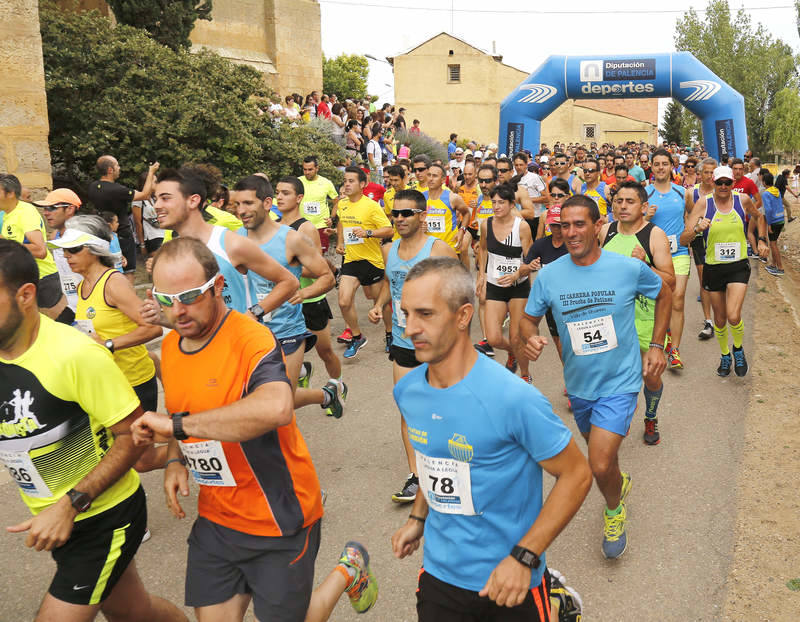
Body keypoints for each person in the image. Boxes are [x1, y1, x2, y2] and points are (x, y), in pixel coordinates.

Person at [130, 238, 378, 621]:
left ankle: (348, 570)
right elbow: (184, 412)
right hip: (217, 520)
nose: (177, 311)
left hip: (279, 518)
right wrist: (177, 459)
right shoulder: (175, 346)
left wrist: (175, 427)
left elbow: (277, 407)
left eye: (190, 296)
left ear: (216, 287)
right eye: (166, 299)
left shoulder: (250, 339)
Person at [391, 256, 592, 620]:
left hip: (512, 579)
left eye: (425, 314)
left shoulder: (513, 398)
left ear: (464, 315)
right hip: (440, 575)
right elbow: (435, 458)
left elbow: (577, 475)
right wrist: (418, 519)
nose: (409, 329)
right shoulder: (407, 391)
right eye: (406, 314)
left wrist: (525, 556)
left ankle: (551, 590)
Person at [0, 238, 187, 622]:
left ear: (25, 295)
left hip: (102, 515)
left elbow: (134, 435)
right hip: (54, 515)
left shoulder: (76, 355)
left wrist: (69, 505)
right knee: (136, 613)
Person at [521, 195, 672, 559]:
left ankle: (613, 511)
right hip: (579, 385)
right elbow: (528, 318)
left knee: (599, 462)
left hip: (620, 382)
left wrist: (656, 346)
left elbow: (665, 294)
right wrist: (529, 337)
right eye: (564, 225)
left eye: (579, 224)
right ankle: (617, 485)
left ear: (597, 225)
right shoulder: (550, 276)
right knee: (602, 456)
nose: (571, 233)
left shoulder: (626, 268)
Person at [366, 189, 457, 504]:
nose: (400, 219)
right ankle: (417, 477)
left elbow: (461, 294)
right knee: (407, 406)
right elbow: (391, 285)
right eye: (396, 213)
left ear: (422, 215)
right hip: (405, 342)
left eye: (406, 213)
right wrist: (380, 305)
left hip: (437, 344)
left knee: (444, 407)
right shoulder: (389, 250)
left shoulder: (439, 249)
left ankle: (454, 464)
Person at [232, 175, 344, 416]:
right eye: (237, 204)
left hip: (286, 330)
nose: (241, 211)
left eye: (248, 203)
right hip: (249, 331)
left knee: (280, 405)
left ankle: (328, 390)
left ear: (266, 203)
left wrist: (304, 292)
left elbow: (326, 275)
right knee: (256, 399)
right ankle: (324, 393)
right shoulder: (234, 238)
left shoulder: (293, 238)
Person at [139, 167, 298, 325]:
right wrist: (159, 317)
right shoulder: (171, 251)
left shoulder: (231, 243)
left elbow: (289, 282)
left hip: (241, 345)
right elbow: (188, 321)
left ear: (193, 200)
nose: (157, 205)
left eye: (165, 198)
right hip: (202, 348)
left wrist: (253, 314)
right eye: (156, 198)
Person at [48, 215, 162, 414]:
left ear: (95, 249)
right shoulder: (83, 285)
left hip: (133, 382)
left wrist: (108, 344)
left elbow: (153, 328)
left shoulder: (113, 283)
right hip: (109, 382)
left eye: (73, 249)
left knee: (138, 445)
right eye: (64, 250)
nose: (66, 256)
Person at [601, 181, 676, 445]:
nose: (622, 206)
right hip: (611, 321)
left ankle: (651, 415)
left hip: (645, 320)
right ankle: (614, 424)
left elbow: (670, 281)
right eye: (618, 201)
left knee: (650, 376)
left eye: (629, 201)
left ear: (644, 206)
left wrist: (644, 264)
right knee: (614, 378)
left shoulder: (654, 235)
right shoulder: (605, 231)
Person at [680, 166, 768, 377]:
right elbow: (684, 239)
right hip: (714, 267)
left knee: (733, 315)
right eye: (719, 182)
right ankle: (725, 354)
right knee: (719, 320)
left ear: (732, 184)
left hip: (738, 266)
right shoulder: (704, 203)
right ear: (713, 181)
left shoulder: (743, 200)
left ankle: (738, 348)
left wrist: (762, 239)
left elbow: (759, 217)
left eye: (727, 183)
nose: (723, 187)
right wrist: (697, 230)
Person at [275, 176, 346, 416]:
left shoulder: (305, 228)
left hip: (310, 299)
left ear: (299, 198)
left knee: (324, 351)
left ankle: (337, 384)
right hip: (284, 302)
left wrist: (284, 267)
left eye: (285, 193)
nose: (280, 197)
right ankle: (302, 371)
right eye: (277, 192)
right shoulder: (273, 226)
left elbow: (318, 270)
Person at [335, 166, 393, 358]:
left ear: (362, 184)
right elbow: (342, 222)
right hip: (351, 259)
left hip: (372, 261)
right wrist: (340, 241)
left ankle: (390, 334)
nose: (347, 184)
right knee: (344, 301)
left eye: (351, 181)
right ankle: (357, 337)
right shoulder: (343, 204)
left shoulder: (371, 206)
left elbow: (388, 229)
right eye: (345, 181)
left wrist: (368, 233)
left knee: (381, 303)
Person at [477, 184, 533, 382]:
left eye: (501, 202)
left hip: (518, 287)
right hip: (495, 285)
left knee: (517, 337)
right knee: (492, 337)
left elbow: (532, 261)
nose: (497, 206)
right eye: (493, 202)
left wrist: (517, 274)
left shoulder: (522, 226)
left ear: (511, 204)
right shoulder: (486, 224)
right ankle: (511, 352)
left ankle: (525, 376)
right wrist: (481, 275)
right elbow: (482, 249)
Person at [0, 174, 69, 323]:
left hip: (43, 278)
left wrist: (7, 244)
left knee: (62, 325)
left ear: (10, 193)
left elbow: (40, 250)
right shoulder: (7, 215)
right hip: (25, 279)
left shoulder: (25, 213)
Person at [644, 149, 690, 370]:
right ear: (651, 167)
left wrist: (692, 231)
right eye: (657, 164)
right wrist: (646, 217)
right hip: (653, 255)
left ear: (672, 166)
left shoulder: (682, 192)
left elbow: (691, 216)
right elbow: (634, 222)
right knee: (658, 300)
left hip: (679, 251)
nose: (661, 167)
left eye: (665, 163)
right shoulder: (645, 193)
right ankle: (657, 343)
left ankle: (674, 350)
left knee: (678, 298)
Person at [86, 156, 160, 284]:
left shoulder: (93, 187)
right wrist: (151, 172)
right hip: (122, 235)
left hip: (102, 235)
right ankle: (128, 297)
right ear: (110, 170)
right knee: (128, 271)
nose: (119, 168)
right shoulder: (116, 190)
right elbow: (145, 195)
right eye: (117, 165)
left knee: (107, 270)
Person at [524, 203, 568, 362]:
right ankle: (570, 380)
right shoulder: (541, 245)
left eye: (559, 225)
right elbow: (523, 268)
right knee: (559, 343)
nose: (556, 229)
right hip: (551, 304)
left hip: (572, 301)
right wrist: (528, 267)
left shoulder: (574, 245)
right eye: (552, 225)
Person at [36, 188, 83, 318]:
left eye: (52, 208)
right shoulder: (56, 236)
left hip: (91, 309)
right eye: (44, 209)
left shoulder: (83, 238)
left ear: (70, 209)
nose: (45, 213)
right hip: (71, 307)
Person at [686, 157, 717, 340]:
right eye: (706, 172)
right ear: (699, 173)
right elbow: (690, 215)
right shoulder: (691, 193)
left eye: (712, 172)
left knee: (720, 281)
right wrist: (691, 233)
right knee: (704, 280)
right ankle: (708, 321)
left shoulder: (722, 191)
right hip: (700, 240)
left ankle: (721, 317)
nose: (709, 176)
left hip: (719, 240)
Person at [423, 163, 471, 255]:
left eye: (435, 176)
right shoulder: (420, 198)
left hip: (449, 248)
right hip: (427, 249)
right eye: (429, 175)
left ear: (443, 180)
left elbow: (466, 214)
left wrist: (462, 230)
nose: (431, 178)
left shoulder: (453, 198)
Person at [299, 156, 339, 256]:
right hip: (302, 226)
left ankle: (329, 271)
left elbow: (337, 202)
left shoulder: (326, 183)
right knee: (302, 257)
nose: (307, 172)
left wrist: (332, 219)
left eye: (310, 169)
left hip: (321, 226)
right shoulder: (298, 182)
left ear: (317, 168)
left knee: (319, 257)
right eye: (305, 169)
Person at [755, 170, 785, 276]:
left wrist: (770, 224)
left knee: (773, 244)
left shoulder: (766, 194)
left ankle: (780, 268)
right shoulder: (776, 190)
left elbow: (768, 210)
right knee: (774, 243)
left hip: (774, 222)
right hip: (781, 219)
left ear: (763, 182)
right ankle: (773, 264)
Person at [454, 160, 480, 268]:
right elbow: (454, 200)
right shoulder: (460, 185)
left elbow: (490, 203)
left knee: (480, 259)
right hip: (465, 223)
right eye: (465, 174)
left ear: (475, 174)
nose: (467, 177)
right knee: (463, 248)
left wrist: (478, 203)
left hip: (478, 224)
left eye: (470, 174)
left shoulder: (480, 187)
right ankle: (466, 277)